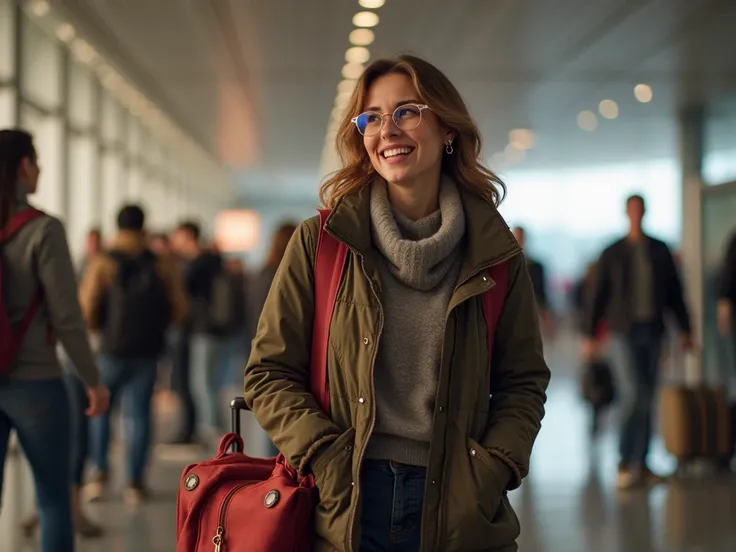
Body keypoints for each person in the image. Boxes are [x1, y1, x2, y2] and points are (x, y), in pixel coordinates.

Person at [244, 55, 550, 552]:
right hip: (343, 506)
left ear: (447, 127)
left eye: (406, 111)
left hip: (458, 506)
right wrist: (324, 457)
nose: (388, 129)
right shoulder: (321, 243)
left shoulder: (495, 256)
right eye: (372, 117)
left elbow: (523, 381)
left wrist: (493, 467)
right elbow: (268, 372)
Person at [0, 128, 109, 552]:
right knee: (52, 498)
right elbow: (67, 318)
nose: (41, 169)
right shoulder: (43, 231)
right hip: (37, 383)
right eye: (38, 161)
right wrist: (92, 380)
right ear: (25, 167)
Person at [581, 194, 692, 490]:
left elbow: (674, 293)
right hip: (622, 332)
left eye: (639, 210)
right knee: (633, 393)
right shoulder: (613, 253)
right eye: (632, 210)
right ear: (626, 213)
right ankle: (623, 461)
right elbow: (598, 295)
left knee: (648, 395)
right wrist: (590, 334)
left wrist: (685, 330)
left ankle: (641, 464)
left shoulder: (659, 250)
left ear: (644, 213)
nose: (636, 215)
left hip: (653, 331)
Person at [79, 204, 188, 506]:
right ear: (143, 226)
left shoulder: (103, 261)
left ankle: (99, 473)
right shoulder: (160, 263)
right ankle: (135, 482)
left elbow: (87, 306)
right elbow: (179, 307)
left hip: (110, 351)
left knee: (101, 412)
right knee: (139, 415)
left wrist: (100, 330)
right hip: (147, 352)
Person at [170, 221, 226, 444]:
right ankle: (212, 429)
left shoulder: (200, 264)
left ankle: (213, 431)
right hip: (205, 329)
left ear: (188, 236)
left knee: (203, 383)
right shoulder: (209, 261)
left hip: (205, 329)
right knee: (203, 382)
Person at [248, 222, 297, 456]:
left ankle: (272, 473)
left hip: (266, 349)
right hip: (298, 353)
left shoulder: (265, 273)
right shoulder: (302, 274)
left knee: (272, 412)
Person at [512, 226, 554, 336]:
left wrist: (546, 315)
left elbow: (541, 292)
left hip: (532, 311)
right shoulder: (505, 266)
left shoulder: (536, 267)